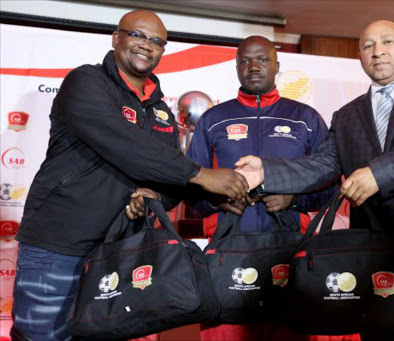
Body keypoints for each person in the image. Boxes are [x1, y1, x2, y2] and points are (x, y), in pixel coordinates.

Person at [236, 20, 394, 341]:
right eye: (368, 45)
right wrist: (266, 172)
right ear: (360, 55)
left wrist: (378, 174)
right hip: (380, 271)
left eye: (387, 42)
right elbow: (320, 166)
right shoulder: (346, 116)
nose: (378, 51)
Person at [10, 10, 248, 341]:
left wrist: (158, 196)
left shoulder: (161, 109)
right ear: (116, 38)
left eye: (156, 41)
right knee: (44, 337)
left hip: (119, 253)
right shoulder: (87, 82)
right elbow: (125, 144)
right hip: (59, 247)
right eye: (137, 35)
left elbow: (165, 177)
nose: (146, 46)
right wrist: (201, 174)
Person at [188, 36, 334, 341]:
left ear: (277, 66)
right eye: (245, 61)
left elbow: (331, 187)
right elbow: (190, 192)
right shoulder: (213, 120)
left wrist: (295, 199)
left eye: (263, 60)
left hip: (290, 251)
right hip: (229, 254)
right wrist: (217, 201)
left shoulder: (306, 119)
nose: (254, 67)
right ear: (236, 67)